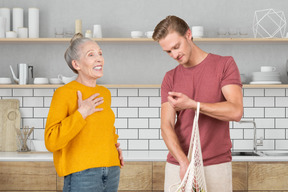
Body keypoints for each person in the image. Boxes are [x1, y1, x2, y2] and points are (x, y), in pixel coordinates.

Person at [152, 15, 243, 192]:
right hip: (178, 165)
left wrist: (193, 104)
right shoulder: (170, 77)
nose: (174, 54)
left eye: (176, 47)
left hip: (216, 164)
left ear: (188, 34)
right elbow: (166, 126)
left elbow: (235, 111)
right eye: (168, 52)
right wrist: (183, 162)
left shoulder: (224, 65)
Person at [45, 33, 124, 192]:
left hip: (112, 170)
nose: (99, 58)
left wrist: (113, 147)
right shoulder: (64, 93)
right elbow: (51, 141)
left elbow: (105, 128)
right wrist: (81, 113)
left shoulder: (104, 93)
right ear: (77, 64)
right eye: (91, 55)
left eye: (100, 53)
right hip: (82, 174)